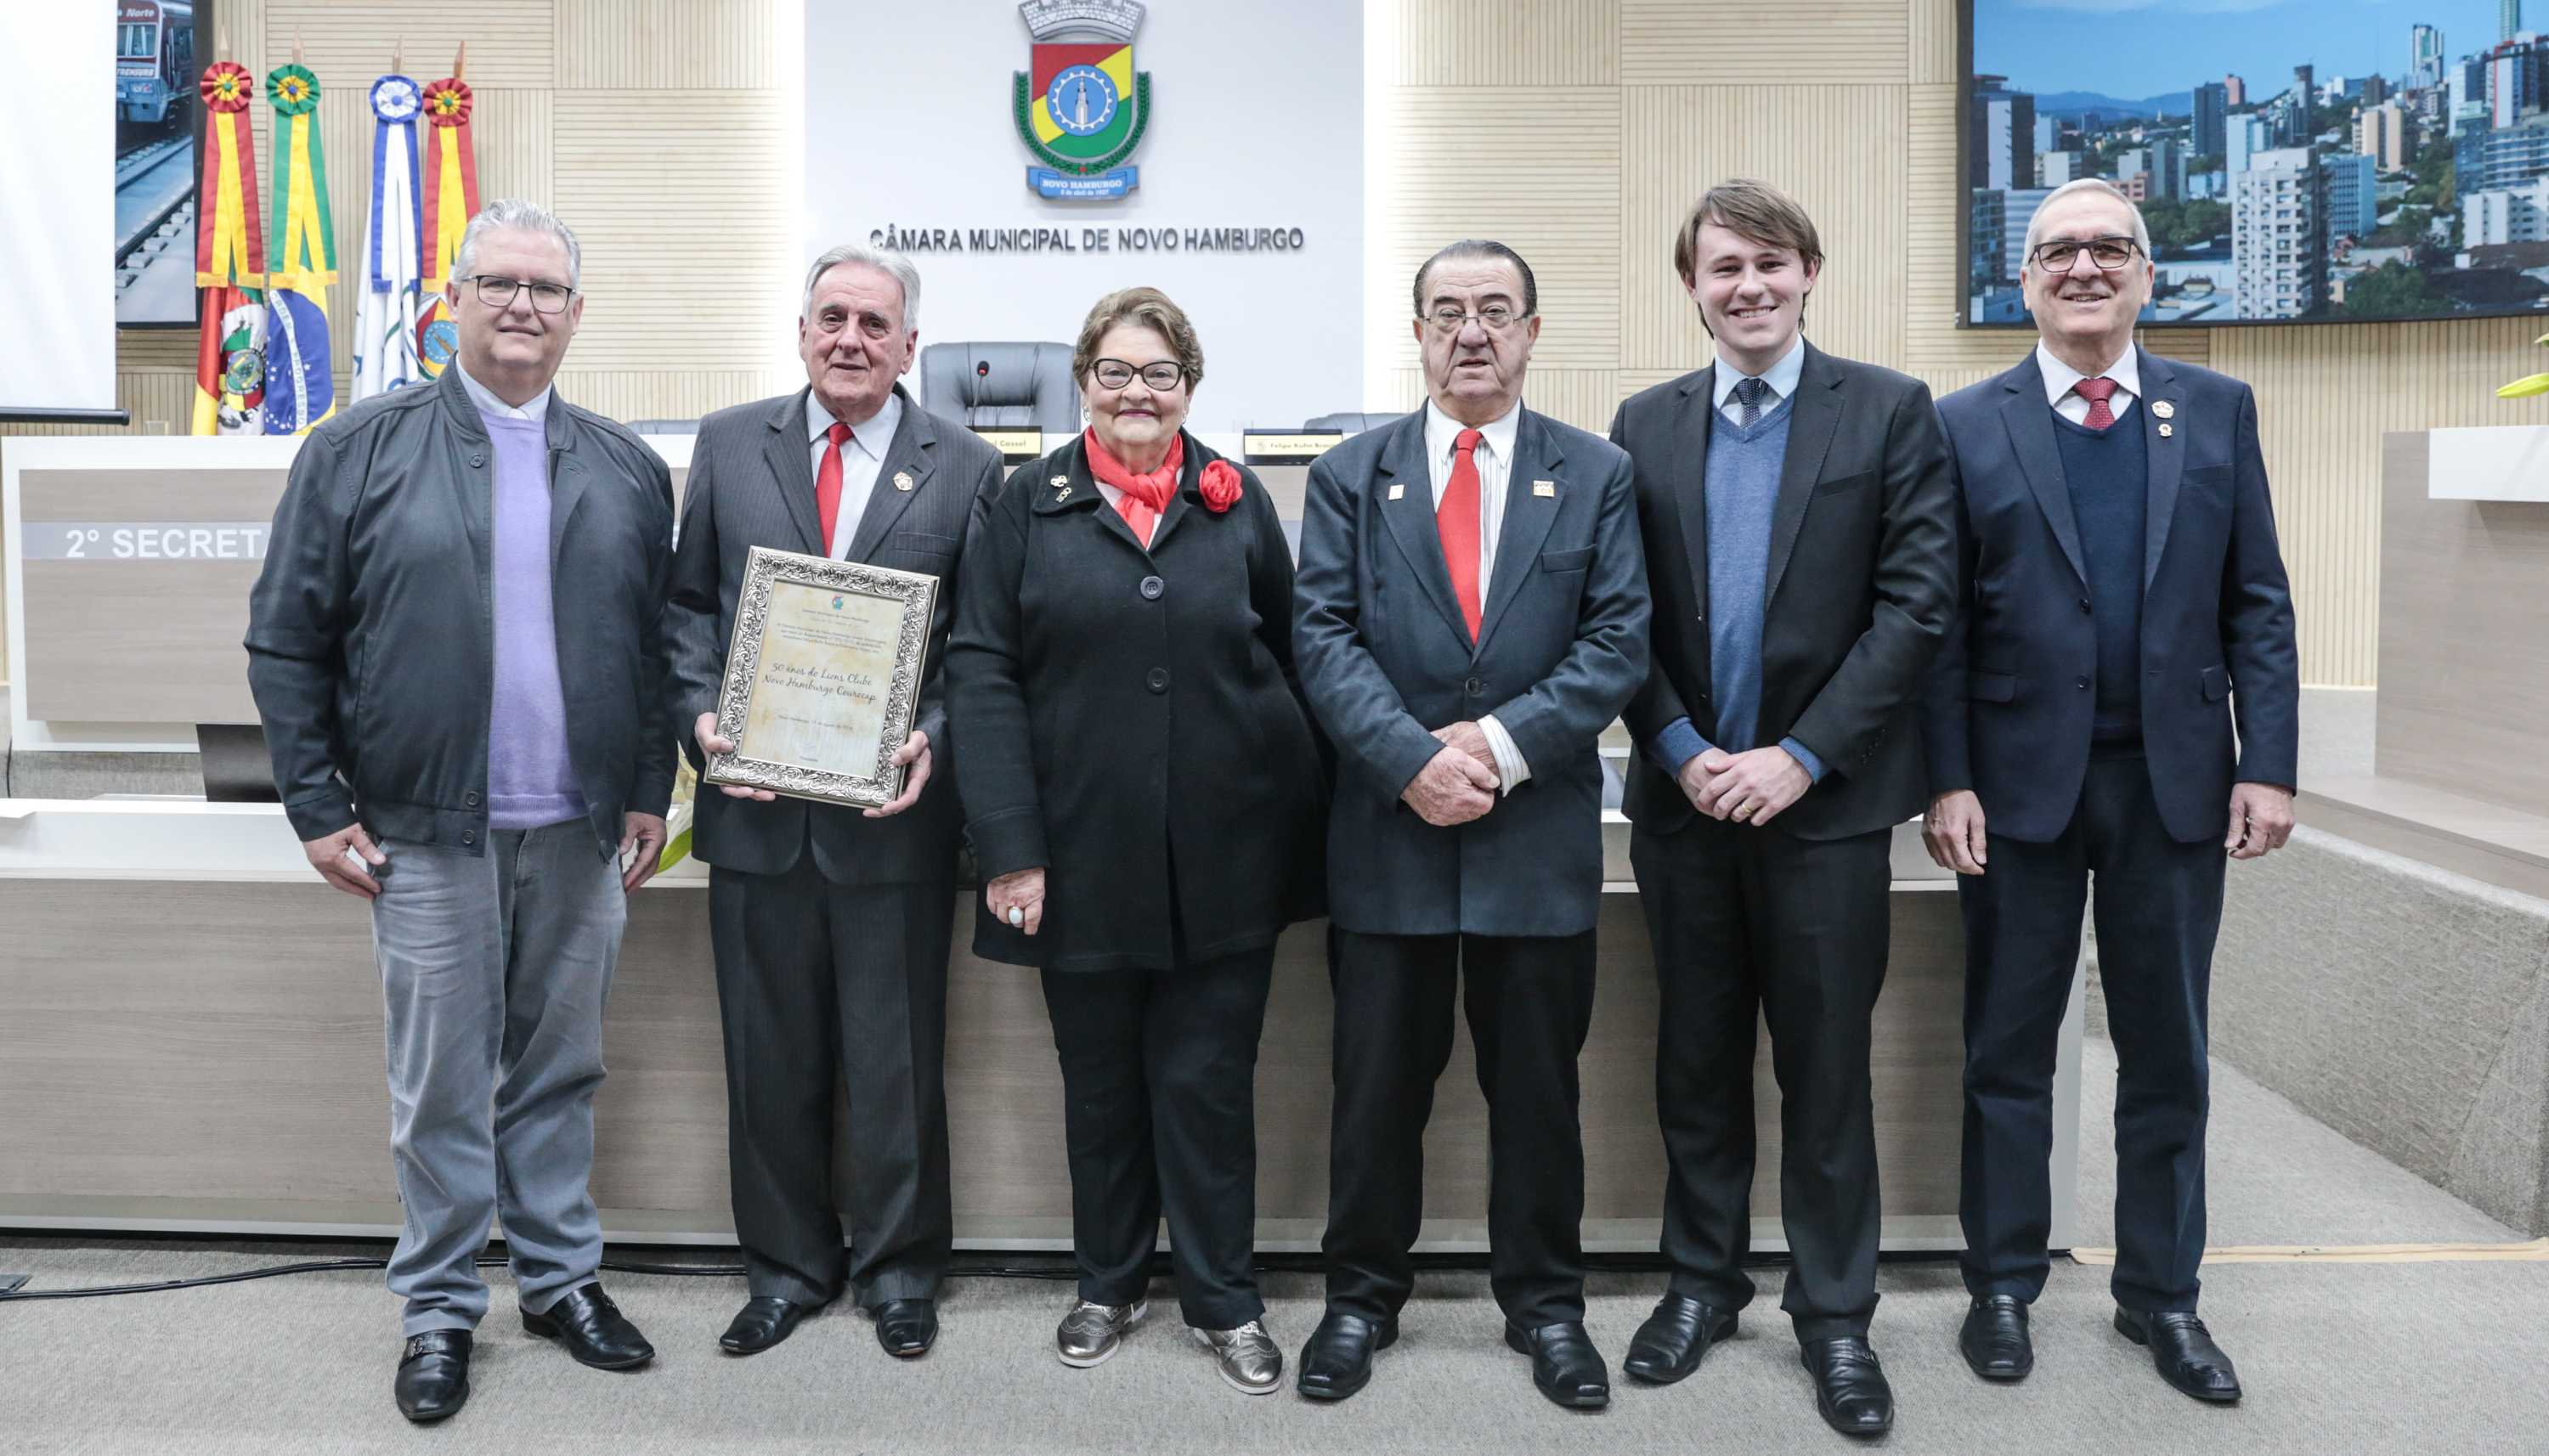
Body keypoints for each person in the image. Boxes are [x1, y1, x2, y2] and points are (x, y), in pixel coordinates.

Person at [246, 199, 676, 1424]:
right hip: (426, 830)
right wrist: (317, 804)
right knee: (439, 1082)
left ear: (577, 314)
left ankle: (559, 1279)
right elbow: (286, 640)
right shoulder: (357, 449)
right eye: (498, 284)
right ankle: (438, 1306)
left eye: (546, 289)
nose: (522, 307)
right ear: (453, 299)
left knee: (560, 1067)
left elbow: (652, 655)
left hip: (582, 831)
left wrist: (649, 786)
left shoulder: (629, 468)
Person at [1922, 176, 2297, 1404]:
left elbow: (2259, 603)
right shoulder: (1964, 422)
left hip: (2175, 788)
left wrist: (2271, 762)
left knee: (2168, 1053)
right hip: (2017, 792)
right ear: (2022, 281)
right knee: (2008, 1052)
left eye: (2108, 248)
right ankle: (2004, 1285)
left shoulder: (2220, 410)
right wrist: (1949, 775)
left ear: (2147, 274)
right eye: (2057, 251)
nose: (2084, 266)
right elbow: (1940, 628)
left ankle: (2162, 1297)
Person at [1607, 178, 1958, 1437]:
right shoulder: (1641, 423)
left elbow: (1916, 609)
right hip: (1686, 801)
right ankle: (1702, 1284)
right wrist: (1686, 745)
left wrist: (1799, 756)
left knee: (1825, 1071)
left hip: (1822, 811)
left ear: (1811, 269)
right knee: (1694, 1062)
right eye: (1721, 269)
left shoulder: (1889, 410)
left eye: (1768, 262)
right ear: (1691, 289)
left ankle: (1835, 1317)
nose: (1747, 286)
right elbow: (1617, 616)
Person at [945, 286, 1326, 1395]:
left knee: (1209, 1082)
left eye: (1158, 373)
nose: (1136, 393)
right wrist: (1010, 845)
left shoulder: (1236, 497)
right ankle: (1106, 1282)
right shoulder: (1026, 502)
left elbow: (1289, 660)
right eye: (1114, 371)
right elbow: (983, 670)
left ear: (1191, 386)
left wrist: (1302, 825)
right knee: (1103, 1084)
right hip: (1078, 857)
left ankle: (1224, 1297)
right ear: (1082, 382)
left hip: (1227, 857)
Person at [1291, 240, 1649, 1410]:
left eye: (1497, 309)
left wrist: (1491, 750)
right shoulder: (1351, 472)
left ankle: (1545, 1305)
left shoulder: (1595, 473)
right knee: (1378, 1087)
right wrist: (1410, 761)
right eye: (1447, 311)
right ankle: (1358, 1299)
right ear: (1417, 334)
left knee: (1538, 1091)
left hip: (1531, 834)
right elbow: (1322, 637)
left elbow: (1616, 645)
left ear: (1535, 330)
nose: (1472, 331)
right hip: (1390, 834)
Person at [664, 245, 1003, 1361]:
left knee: (896, 1058)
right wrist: (704, 721)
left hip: (890, 820)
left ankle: (902, 1272)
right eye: (830, 318)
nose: (849, 338)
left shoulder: (967, 466)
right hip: (756, 812)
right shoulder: (727, 443)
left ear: (911, 345)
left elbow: (980, 649)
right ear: (800, 331)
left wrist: (933, 739)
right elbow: (688, 613)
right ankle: (786, 1267)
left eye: (874, 321)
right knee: (768, 1057)